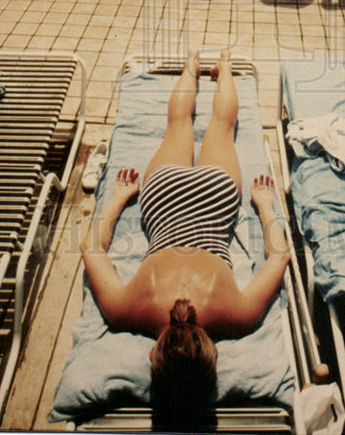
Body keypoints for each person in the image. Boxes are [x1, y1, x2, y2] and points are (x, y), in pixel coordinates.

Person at [79, 48, 290, 431]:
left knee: (217, 126)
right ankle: (203, 64)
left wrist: (264, 208)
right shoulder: (126, 311)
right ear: (151, 355)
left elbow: (279, 256)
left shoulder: (237, 318)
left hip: (214, 198)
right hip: (163, 196)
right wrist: (117, 199)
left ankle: (218, 65)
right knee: (179, 125)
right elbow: (90, 248)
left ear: (211, 356)